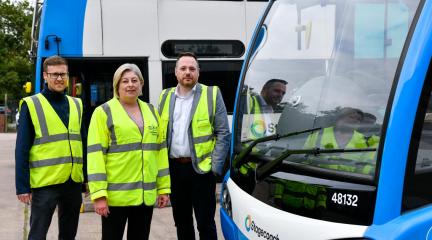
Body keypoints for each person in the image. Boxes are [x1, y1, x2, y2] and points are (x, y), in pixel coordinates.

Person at [87, 63, 170, 240]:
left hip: (144, 196)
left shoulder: (152, 111)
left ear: (141, 84)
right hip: (115, 198)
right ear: (117, 86)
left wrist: (163, 188)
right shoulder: (103, 112)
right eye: (125, 81)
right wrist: (99, 195)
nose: (130, 84)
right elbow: (95, 156)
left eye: (134, 80)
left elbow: (160, 152)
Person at [158, 52, 230, 240]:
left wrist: (215, 168)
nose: (187, 72)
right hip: (174, 170)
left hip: (201, 171)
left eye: (192, 68)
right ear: (175, 73)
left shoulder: (211, 94)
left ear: (198, 72)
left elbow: (223, 133)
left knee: (205, 223)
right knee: (181, 222)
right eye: (183, 68)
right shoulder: (165, 97)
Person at [15, 55, 86, 239]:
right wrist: (22, 186)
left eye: (63, 74)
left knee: (69, 233)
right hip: (45, 183)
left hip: (73, 181)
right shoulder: (32, 104)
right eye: (54, 74)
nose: (60, 78)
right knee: (38, 233)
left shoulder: (76, 104)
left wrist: (85, 177)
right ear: (45, 76)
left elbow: (82, 143)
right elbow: (22, 148)